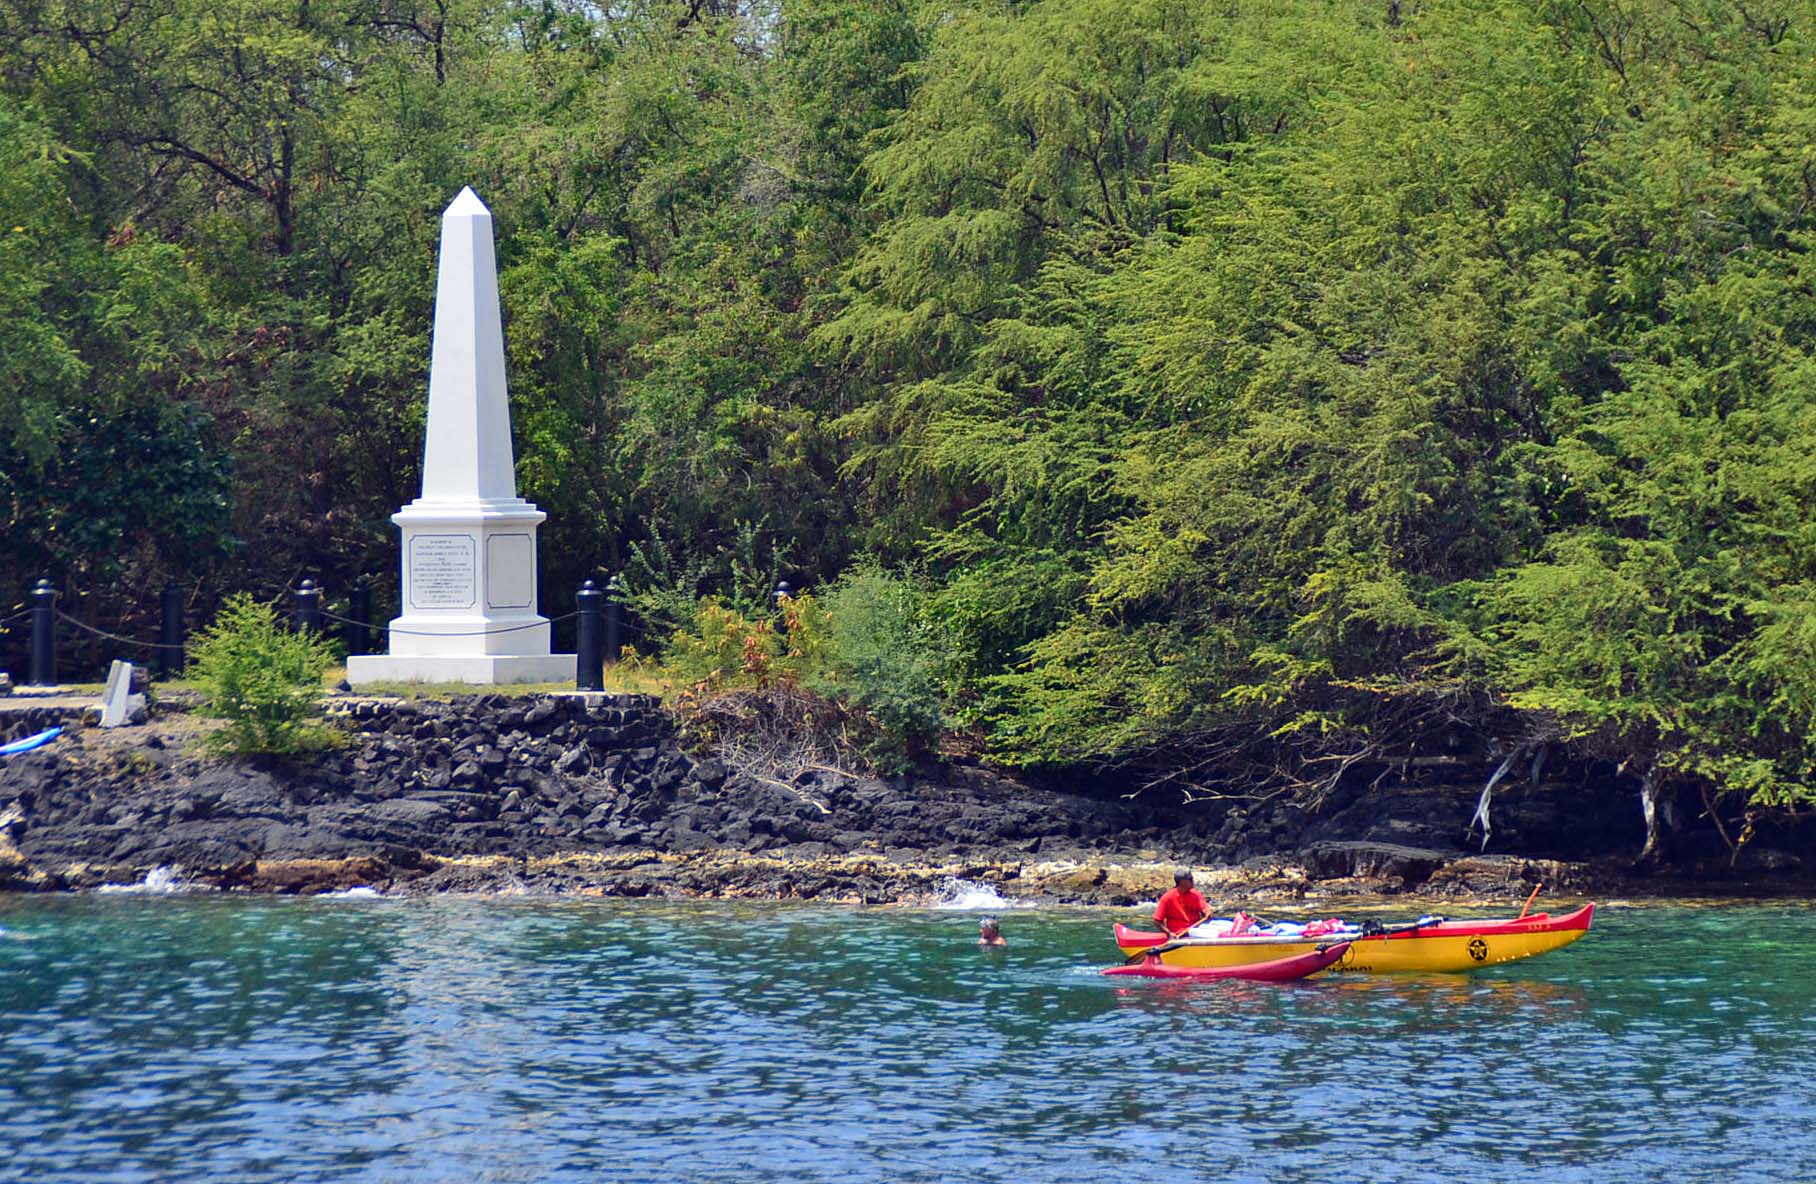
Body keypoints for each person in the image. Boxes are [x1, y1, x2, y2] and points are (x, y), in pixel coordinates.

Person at [1154, 869, 1210, 937]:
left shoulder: (1196, 895)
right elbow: (1157, 920)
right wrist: (1169, 933)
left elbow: (1205, 909)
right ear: (1182, 882)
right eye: (1190, 879)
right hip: (1179, 934)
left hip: (1195, 932)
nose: (1192, 881)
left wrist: (1207, 912)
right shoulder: (1167, 898)